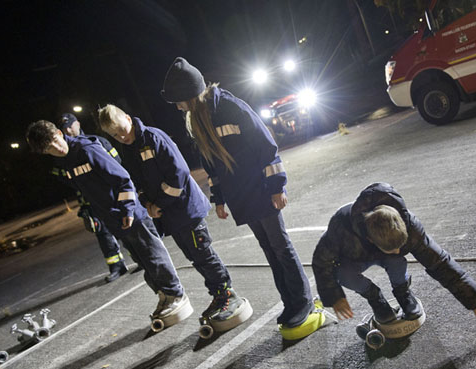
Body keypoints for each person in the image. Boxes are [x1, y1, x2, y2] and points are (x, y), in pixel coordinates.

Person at [160, 57, 316, 332]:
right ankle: (290, 301)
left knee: (281, 246)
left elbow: (266, 145)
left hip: (262, 190)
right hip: (241, 196)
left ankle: (303, 302)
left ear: (189, 94)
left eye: (178, 100)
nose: (177, 106)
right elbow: (212, 166)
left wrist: (277, 185)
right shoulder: (197, 120)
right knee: (269, 249)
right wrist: (219, 198)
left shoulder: (229, 106)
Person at [97, 104, 247, 327]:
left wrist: (159, 204)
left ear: (128, 118)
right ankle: (219, 295)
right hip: (171, 215)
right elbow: (136, 182)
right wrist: (148, 203)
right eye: (114, 135)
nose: (121, 136)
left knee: (203, 255)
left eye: (122, 129)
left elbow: (180, 174)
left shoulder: (153, 137)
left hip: (186, 210)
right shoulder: (128, 149)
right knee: (195, 257)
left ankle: (228, 296)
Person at [25, 120, 190, 320]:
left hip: (130, 215)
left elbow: (123, 179)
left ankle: (176, 294)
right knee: (142, 261)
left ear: (59, 133)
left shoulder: (87, 149)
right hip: (113, 220)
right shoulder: (65, 162)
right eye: (49, 149)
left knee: (153, 256)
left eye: (55, 142)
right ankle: (163, 295)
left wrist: (128, 210)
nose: (56, 149)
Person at [312, 182, 476, 324]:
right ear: (371, 240)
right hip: (356, 256)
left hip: (381, 251)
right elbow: (321, 262)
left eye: (402, 244)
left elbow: (440, 263)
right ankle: (376, 299)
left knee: (396, 260)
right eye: (393, 248)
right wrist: (334, 296)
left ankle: (403, 293)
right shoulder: (340, 227)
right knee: (343, 274)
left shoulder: (411, 227)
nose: (400, 251)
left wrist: (475, 303)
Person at [57, 113, 128, 283]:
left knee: (125, 227)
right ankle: (116, 266)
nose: (67, 130)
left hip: (110, 196)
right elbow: (62, 177)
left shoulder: (96, 141)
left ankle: (139, 258)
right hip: (89, 201)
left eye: (70, 126)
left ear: (78, 124)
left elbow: (116, 161)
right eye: (64, 128)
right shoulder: (63, 156)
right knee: (103, 234)